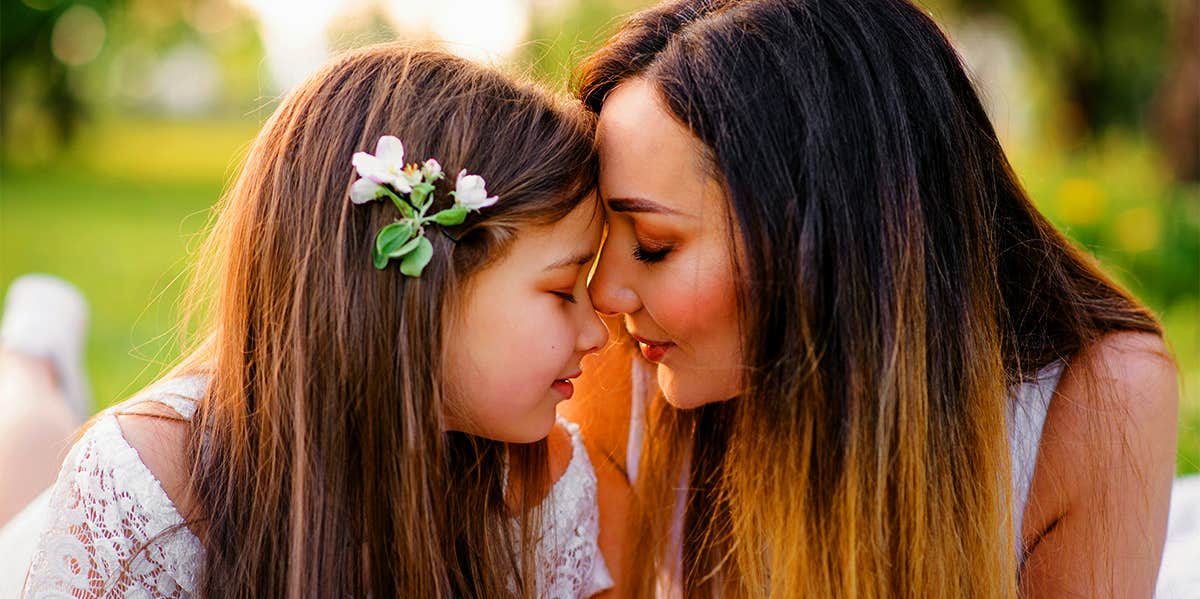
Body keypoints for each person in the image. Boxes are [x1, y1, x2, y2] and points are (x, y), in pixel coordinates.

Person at [562, 0, 1180, 596]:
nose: (604, 295)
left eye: (652, 243)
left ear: (825, 237)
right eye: (602, 239)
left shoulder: (1097, 398)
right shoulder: (627, 364)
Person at [7, 43, 615, 598]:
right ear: (421, 290)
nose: (598, 333)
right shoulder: (152, 480)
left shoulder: (546, 482)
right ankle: (32, 348)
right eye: (564, 290)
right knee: (28, 432)